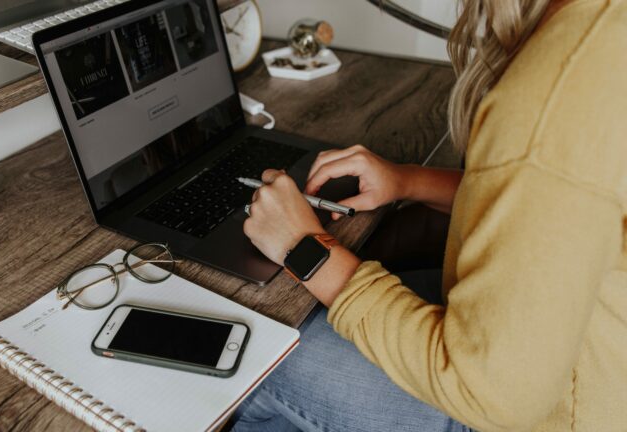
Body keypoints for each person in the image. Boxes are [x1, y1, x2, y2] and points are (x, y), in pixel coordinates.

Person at [232, 0, 627, 430]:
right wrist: (406, 181)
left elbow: (490, 395)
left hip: (518, 405)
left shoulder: (552, 97)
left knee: (255, 349)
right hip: (564, 345)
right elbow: (557, 206)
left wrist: (304, 248)